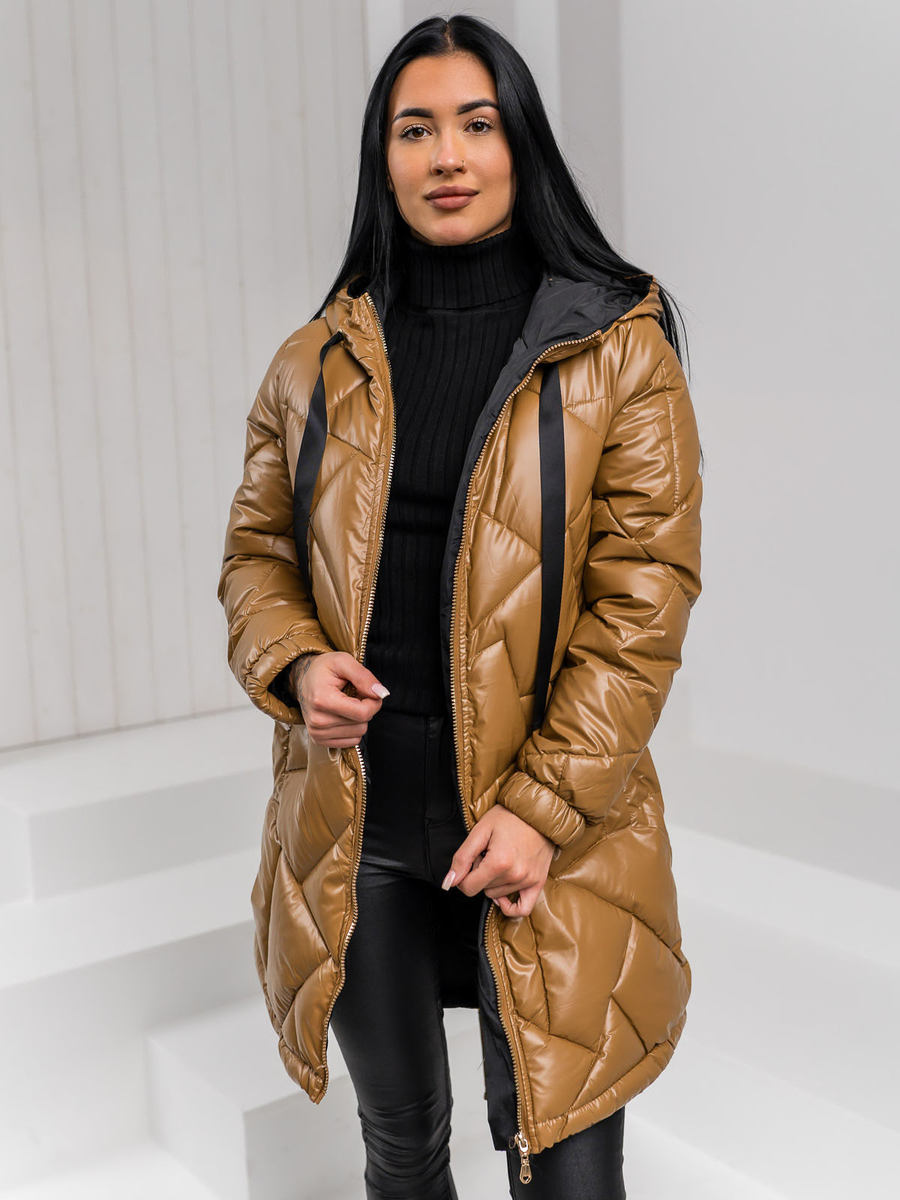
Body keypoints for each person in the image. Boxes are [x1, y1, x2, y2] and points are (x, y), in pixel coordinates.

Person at [217, 14, 702, 1200]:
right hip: (360, 826)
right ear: (382, 158)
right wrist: (294, 663)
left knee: (570, 1169)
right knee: (402, 1152)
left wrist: (542, 809)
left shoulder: (618, 348)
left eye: (477, 125)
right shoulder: (312, 361)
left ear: (520, 145)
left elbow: (641, 608)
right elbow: (255, 557)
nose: (447, 155)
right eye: (416, 129)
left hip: (557, 830)